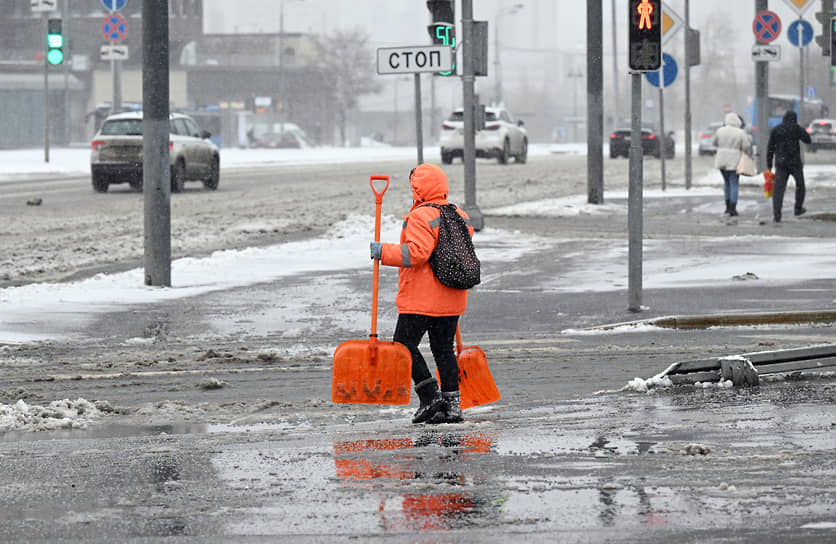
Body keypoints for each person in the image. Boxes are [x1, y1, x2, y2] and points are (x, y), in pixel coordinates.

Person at [369, 163, 474, 424]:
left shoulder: (420, 215)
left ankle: (429, 396)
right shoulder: (459, 214)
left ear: (419, 188)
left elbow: (415, 254)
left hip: (421, 299)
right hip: (452, 297)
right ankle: (452, 406)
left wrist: (383, 252)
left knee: (403, 345)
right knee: (443, 350)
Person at [766, 110, 811, 222]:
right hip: (794, 162)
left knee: (779, 189)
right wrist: (801, 129)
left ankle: (777, 215)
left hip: (781, 163)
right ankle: (798, 208)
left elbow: (770, 148)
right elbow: (808, 140)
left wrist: (769, 164)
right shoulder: (796, 128)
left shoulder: (776, 129)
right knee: (800, 185)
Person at [711, 112, 752, 217]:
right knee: (734, 183)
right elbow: (746, 146)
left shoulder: (720, 131)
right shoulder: (740, 132)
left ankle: (727, 207)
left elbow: (714, 143)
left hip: (721, 160)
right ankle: (733, 208)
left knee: (726, 183)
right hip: (734, 160)